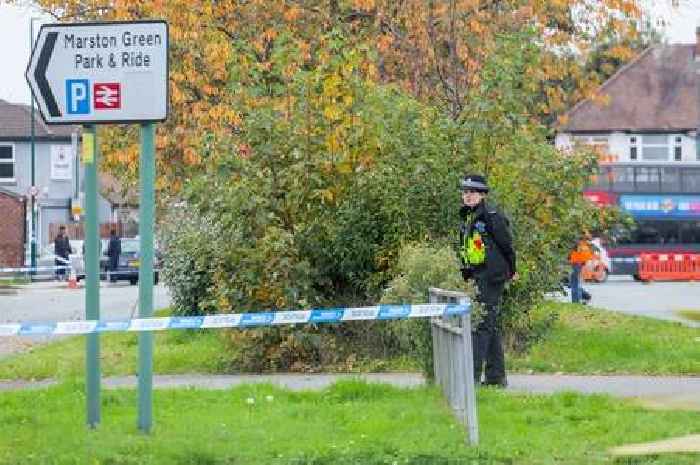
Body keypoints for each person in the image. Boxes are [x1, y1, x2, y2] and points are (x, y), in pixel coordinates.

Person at [458, 174, 516, 388]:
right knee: (488, 325)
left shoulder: (491, 216)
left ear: (482, 194)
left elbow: (507, 245)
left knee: (482, 325)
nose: (468, 196)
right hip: (476, 275)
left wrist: (512, 270)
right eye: (465, 192)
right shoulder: (467, 216)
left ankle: (471, 378)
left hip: (491, 276)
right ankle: (495, 377)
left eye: (472, 192)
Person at [568, 235, 594, 304]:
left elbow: (574, 251)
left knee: (574, 283)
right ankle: (585, 296)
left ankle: (576, 302)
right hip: (579, 262)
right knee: (574, 282)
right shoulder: (584, 243)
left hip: (576, 262)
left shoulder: (578, 244)